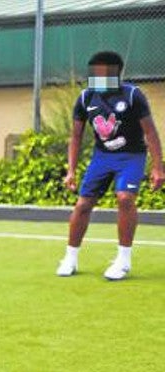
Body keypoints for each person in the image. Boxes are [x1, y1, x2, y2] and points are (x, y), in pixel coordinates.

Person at [57, 51, 163, 280]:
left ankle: (123, 261)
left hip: (131, 156)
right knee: (83, 204)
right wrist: (71, 170)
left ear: (117, 74)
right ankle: (70, 258)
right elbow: (75, 136)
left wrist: (158, 167)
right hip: (102, 158)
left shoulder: (133, 95)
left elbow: (150, 132)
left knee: (125, 198)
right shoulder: (86, 98)